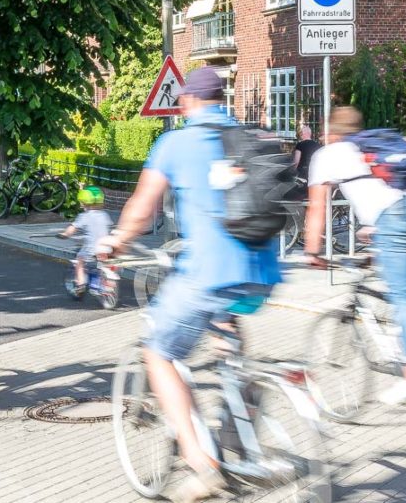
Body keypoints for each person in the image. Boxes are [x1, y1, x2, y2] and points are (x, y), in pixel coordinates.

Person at [99, 68, 281, 502]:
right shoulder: (253, 136)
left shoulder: (176, 143)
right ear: (223, 97)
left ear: (187, 103)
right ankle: (243, 412)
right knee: (227, 339)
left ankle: (204, 465)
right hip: (263, 273)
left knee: (159, 353)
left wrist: (116, 241)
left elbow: (143, 210)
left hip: (209, 272)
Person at [304, 106, 406, 405]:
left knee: (402, 296)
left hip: (394, 219)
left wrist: (312, 251)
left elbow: (317, 208)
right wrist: (373, 229)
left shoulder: (327, 156)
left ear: (329, 131)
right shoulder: (372, 145)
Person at [57, 186, 112, 294]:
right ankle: (108, 285)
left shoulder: (84, 216)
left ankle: (80, 284)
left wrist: (65, 234)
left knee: (80, 261)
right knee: (104, 264)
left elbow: (72, 228)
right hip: (106, 247)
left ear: (84, 202)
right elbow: (109, 227)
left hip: (91, 248)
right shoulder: (104, 215)